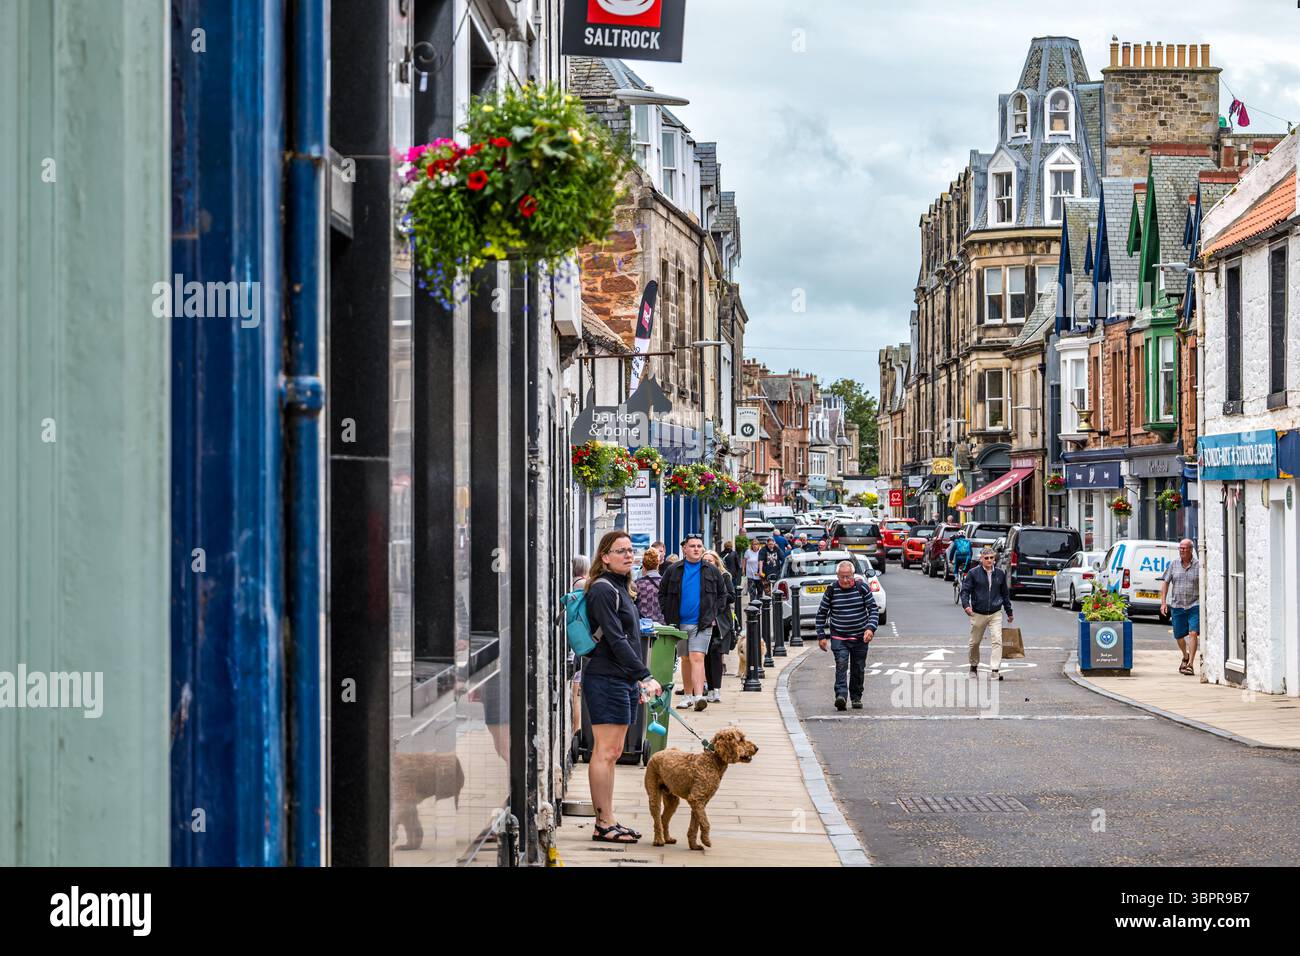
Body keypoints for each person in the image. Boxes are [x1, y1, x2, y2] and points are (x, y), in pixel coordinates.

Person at [582, 531, 662, 843]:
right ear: (604, 556)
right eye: (620, 551)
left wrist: (635, 677)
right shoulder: (602, 589)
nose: (629, 556)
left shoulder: (620, 587)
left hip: (621, 679)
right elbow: (615, 639)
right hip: (605, 678)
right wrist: (644, 674)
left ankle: (609, 818)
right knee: (604, 751)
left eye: (631, 550)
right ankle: (603, 824)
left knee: (614, 751)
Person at [659, 534, 729, 712]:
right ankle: (687, 696)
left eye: (699, 546)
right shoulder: (673, 570)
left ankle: (699, 697)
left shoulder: (711, 570)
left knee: (697, 657)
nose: (696, 549)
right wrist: (667, 612)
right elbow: (663, 593)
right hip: (679, 623)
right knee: (685, 659)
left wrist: (713, 614)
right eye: (692, 546)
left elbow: (723, 595)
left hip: (702, 623)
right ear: (685, 549)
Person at [815, 560, 879, 711]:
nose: (845, 580)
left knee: (858, 667)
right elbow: (821, 614)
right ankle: (841, 696)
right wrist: (821, 636)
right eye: (842, 577)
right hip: (839, 636)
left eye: (848, 576)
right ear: (837, 576)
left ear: (853, 575)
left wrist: (870, 628)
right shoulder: (831, 590)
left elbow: (873, 610)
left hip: (860, 637)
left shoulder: (862, 587)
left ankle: (856, 697)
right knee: (841, 664)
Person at [959, 546, 1014, 680]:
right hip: (978, 612)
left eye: (992, 558)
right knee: (974, 642)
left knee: (997, 640)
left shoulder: (1000, 574)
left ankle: (995, 670)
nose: (990, 561)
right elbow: (965, 591)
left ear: (994, 559)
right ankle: (973, 667)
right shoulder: (973, 573)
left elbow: (1005, 594)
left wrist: (1009, 612)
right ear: (981, 559)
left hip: (995, 612)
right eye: (987, 558)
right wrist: (966, 606)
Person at [1161, 538, 1200, 676]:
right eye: (1180, 548)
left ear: (1191, 550)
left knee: (1193, 633)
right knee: (1178, 635)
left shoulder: (1199, 565)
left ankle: (1190, 665)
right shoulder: (1174, 564)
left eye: (1185, 548)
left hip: (1195, 604)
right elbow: (1165, 582)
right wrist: (1163, 602)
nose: (1182, 551)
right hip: (1177, 605)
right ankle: (1185, 655)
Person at [701, 550, 735, 703]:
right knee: (706, 656)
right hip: (704, 620)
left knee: (716, 655)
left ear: (716, 562)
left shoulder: (724, 576)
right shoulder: (699, 577)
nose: (708, 563)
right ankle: (709, 687)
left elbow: (731, 596)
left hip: (720, 622)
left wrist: (716, 595)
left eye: (710, 561)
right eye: (705, 561)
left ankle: (717, 689)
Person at [635, 548, 664, 623]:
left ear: (643, 565)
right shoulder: (664, 583)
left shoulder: (638, 584)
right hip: (662, 625)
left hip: (643, 625)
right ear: (658, 564)